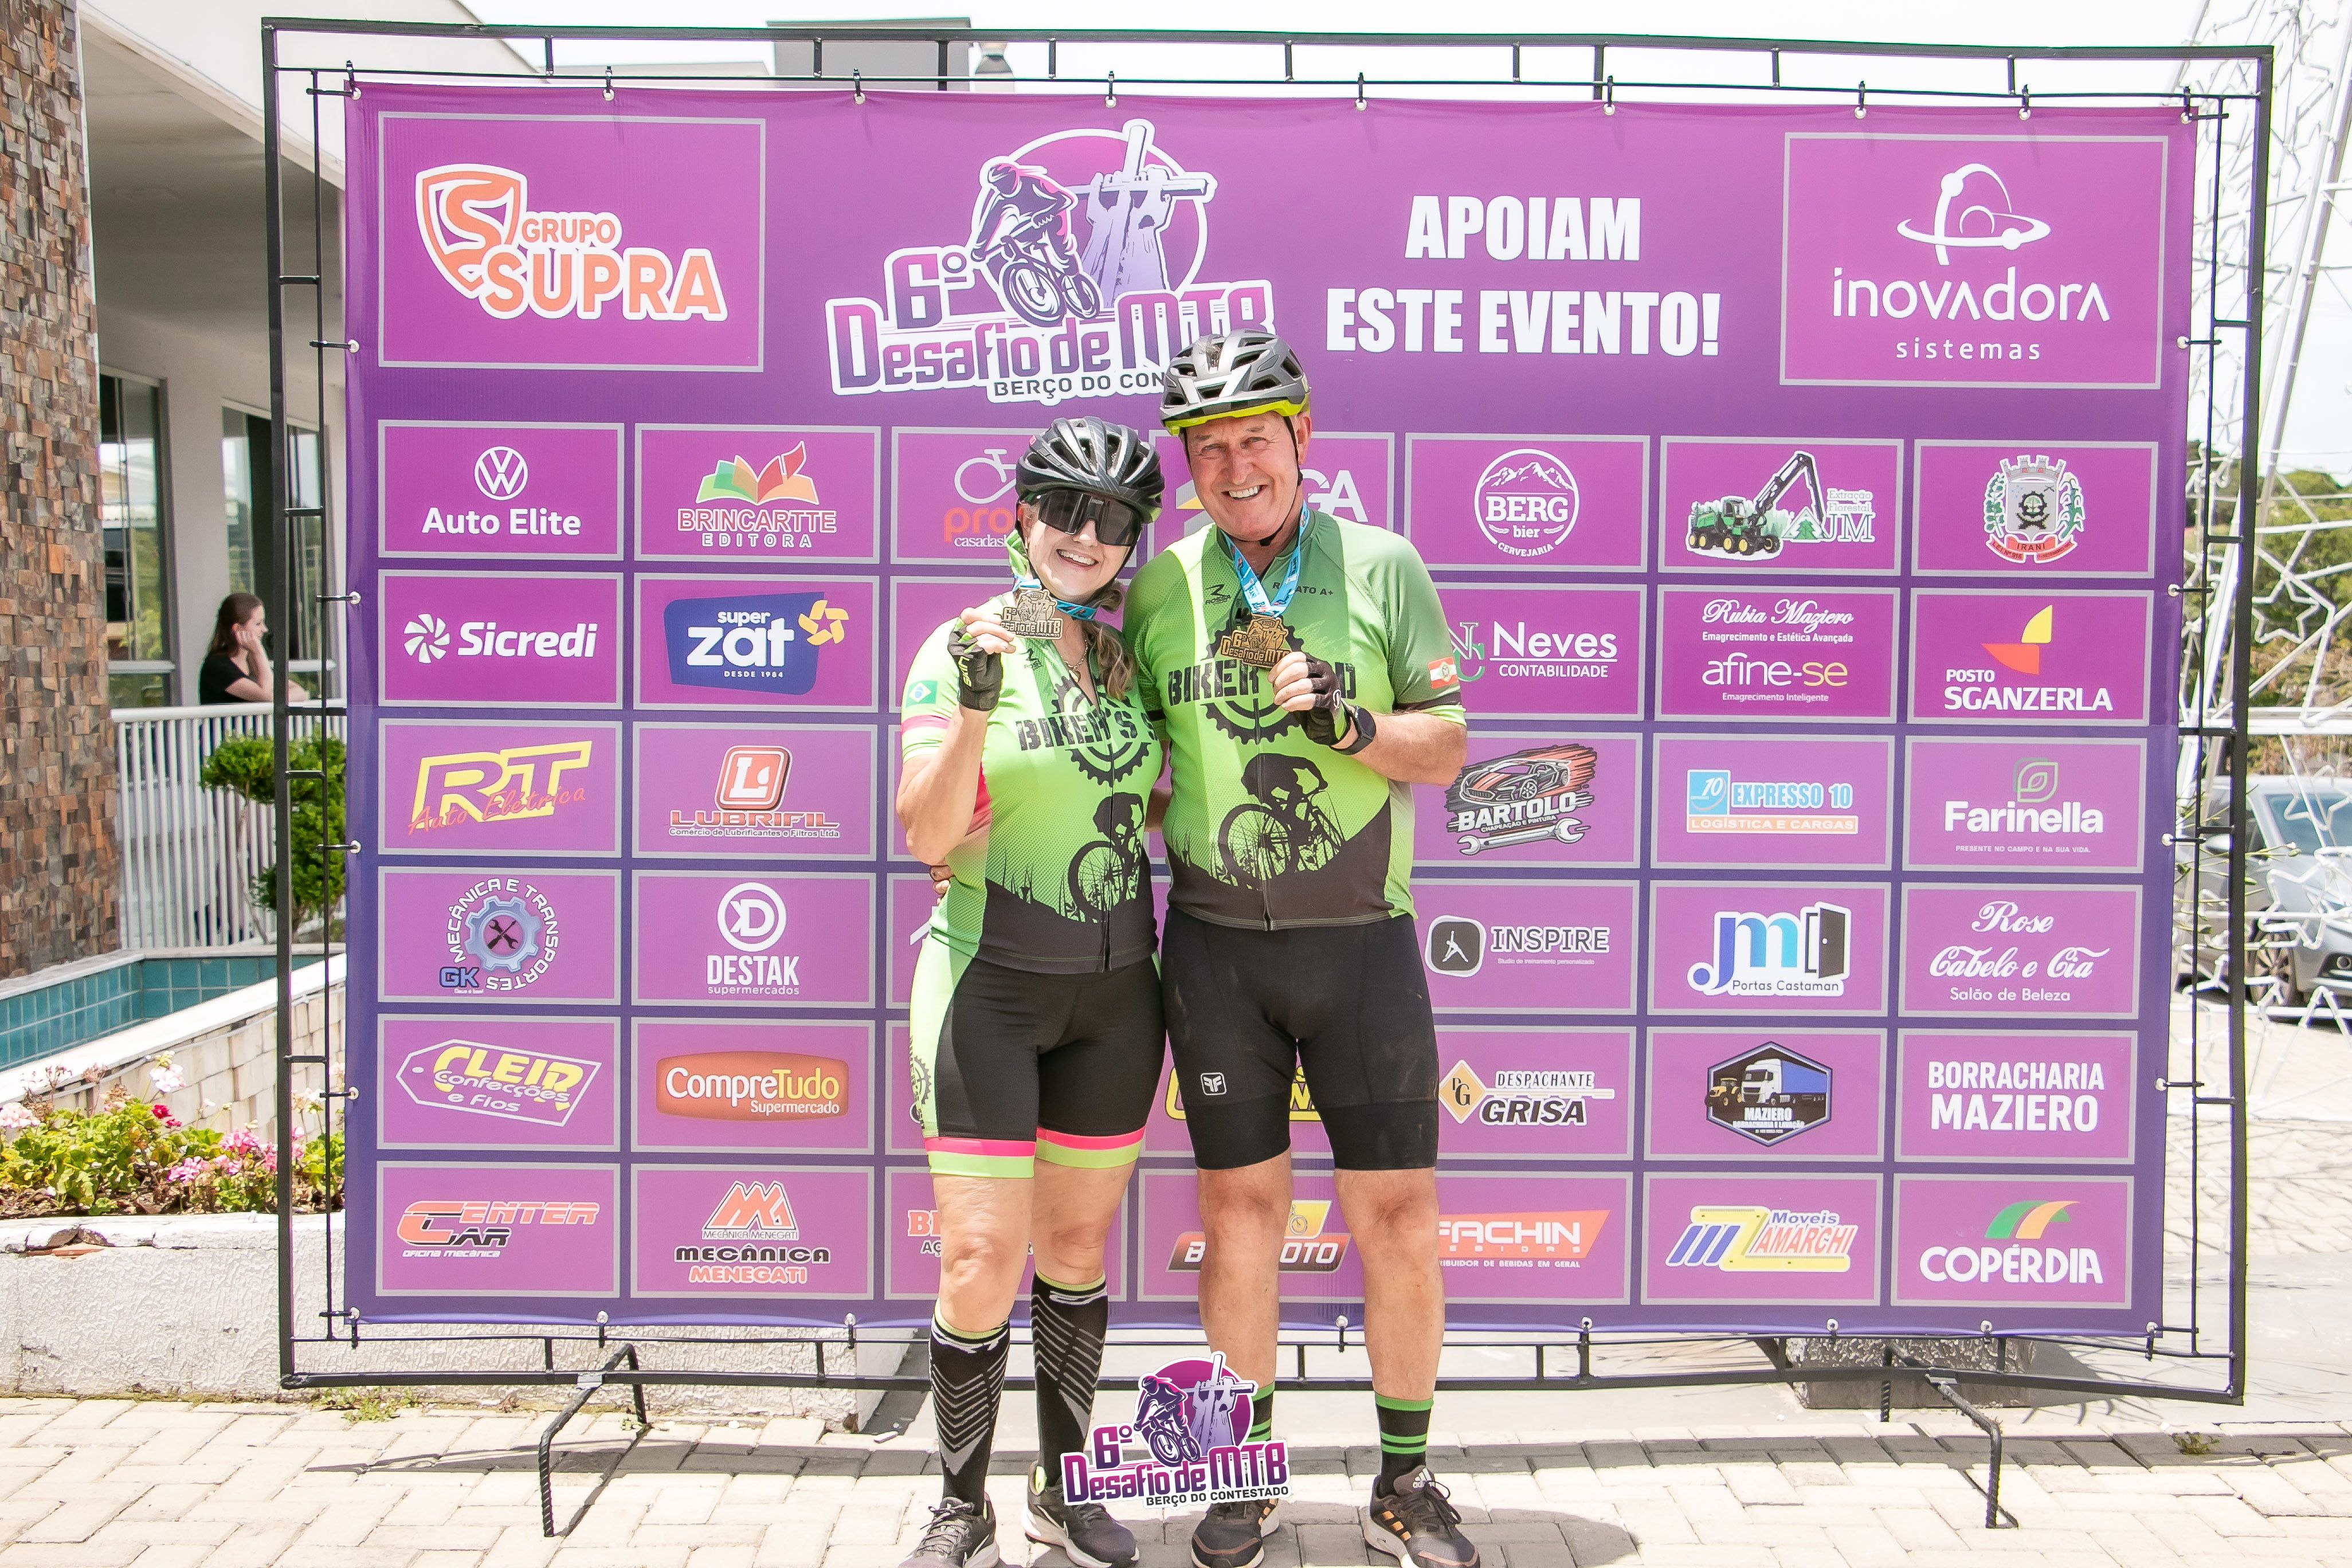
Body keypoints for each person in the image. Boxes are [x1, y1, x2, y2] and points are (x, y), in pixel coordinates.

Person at [1124, 331, 1476, 1568]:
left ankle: (1406, 1481)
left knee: (1399, 1217)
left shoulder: (1382, 564)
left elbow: (1447, 745)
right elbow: (1130, 758)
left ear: (1302, 439)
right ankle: (1244, 1473)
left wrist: (1351, 720)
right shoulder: (1160, 589)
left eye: (1255, 440)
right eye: (1209, 449)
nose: (1235, 468)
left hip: (1361, 948)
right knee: (1238, 1216)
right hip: (1217, 953)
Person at [895, 417, 1169, 1568]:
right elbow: (923, 834)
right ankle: (960, 1505)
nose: (1085, 536)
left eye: (1112, 520)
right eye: (1065, 509)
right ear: (1021, 515)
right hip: (987, 989)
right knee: (978, 1259)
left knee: (1073, 1251)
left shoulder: (1128, 659)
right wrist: (973, 710)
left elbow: (1154, 795)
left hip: (1115, 999)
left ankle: (1062, 1490)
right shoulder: (960, 642)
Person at [198, 593, 308, 705]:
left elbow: (300, 692)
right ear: (237, 628)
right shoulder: (218, 666)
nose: (265, 629)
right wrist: (258, 651)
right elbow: (268, 695)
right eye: (258, 624)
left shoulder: (251, 660)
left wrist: (278, 696)